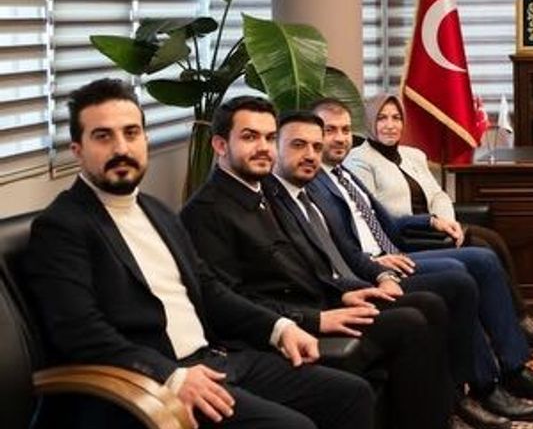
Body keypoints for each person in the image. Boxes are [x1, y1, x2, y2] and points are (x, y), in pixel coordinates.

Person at [24, 79, 374, 429]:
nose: (121, 148)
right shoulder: (62, 226)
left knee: (350, 394)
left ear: (145, 139)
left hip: (215, 360)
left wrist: (279, 328)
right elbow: (80, 333)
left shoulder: (157, 211)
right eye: (103, 136)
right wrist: (170, 375)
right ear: (77, 149)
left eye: (131, 133)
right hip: (148, 386)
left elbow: (209, 289)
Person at [180, 97, 461, 429]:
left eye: (269, 138)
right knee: (409, 323)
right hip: (279, 330)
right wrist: (315, 319)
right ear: (220, 145)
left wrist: (343, 293)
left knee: (425, 305)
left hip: (315, 303)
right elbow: (227, 302)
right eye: (249, 137)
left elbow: (305, 262)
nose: (263, 147)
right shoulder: (206, 212)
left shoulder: (265, 191)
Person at [307, 98, 533, 416]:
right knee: (459, 273)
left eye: (345, 130)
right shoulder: (316, 182)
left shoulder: (343, 174)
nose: (340, 138)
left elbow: (386, 222)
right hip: (375, 265)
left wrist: (431, 220)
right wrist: (374, 265)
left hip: (393, 249)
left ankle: (514, 369)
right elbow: (338, 245)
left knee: (484, 258)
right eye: (330, 130)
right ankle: (486, 385)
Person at [343, 93, 533, 348]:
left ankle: (519, 320)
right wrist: (430, 221)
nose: (390, 125)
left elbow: (438, 195)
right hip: (403, 236)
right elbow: (375, 215)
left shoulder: (413, 155)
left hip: (435, 228)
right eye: (382, 118)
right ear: (369, 122)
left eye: (396, 118)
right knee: (483, 248)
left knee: (494, 240)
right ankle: (514, 327)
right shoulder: (359, 160)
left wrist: (447, 222)